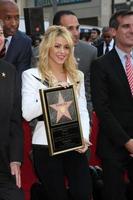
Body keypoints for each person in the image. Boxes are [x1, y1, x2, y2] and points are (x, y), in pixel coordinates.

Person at [22, 25, 91, 200]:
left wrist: (84, 136)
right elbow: (28, 113)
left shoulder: (77, 76)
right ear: (47, 47)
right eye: (57, 46)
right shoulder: (31, 75)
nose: (62, 51)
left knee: (82, 194)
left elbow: (82, 109)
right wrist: (52, 94)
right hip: (45, 145)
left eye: (66, 47)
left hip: (74, 143)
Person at [90, 10, 133, 200]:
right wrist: (128, 142)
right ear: (114, 31)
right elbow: (102, 108)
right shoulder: (101, 65)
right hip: (114, 146)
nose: (132, 30)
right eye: (126, 26)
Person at [53, 10, 97, 118]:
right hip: (49, 120)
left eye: (77, 28)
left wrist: (88, 122)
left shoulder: (90, 52)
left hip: (80, 119)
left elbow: (89, 92)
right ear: (56, 30)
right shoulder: (39, 53)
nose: (76, 33)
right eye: (70, 28)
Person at [0, 20, 24, 200]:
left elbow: (15, 120)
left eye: (0, 33)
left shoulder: (9, 71)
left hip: (3, 163)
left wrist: (15, 158)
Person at [0, 0, 32, 77]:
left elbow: (21, 76)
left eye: (17, 18)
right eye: (8, 18)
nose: (14, 23)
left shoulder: (24, 42)